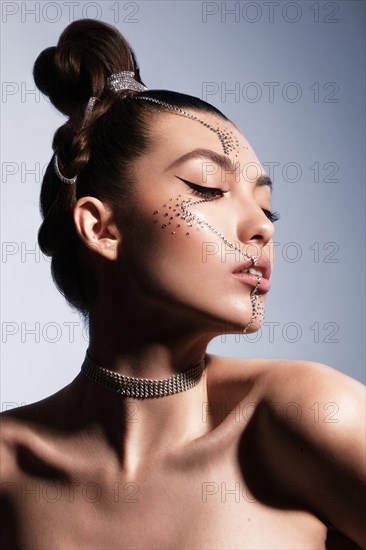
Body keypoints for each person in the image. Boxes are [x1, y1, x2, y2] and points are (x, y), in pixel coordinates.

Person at [0, 19, 364, 550]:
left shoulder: (307, 418)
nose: (261, 226)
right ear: (101, 228)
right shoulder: (10, 470)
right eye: (207, 186)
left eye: (266, 206)